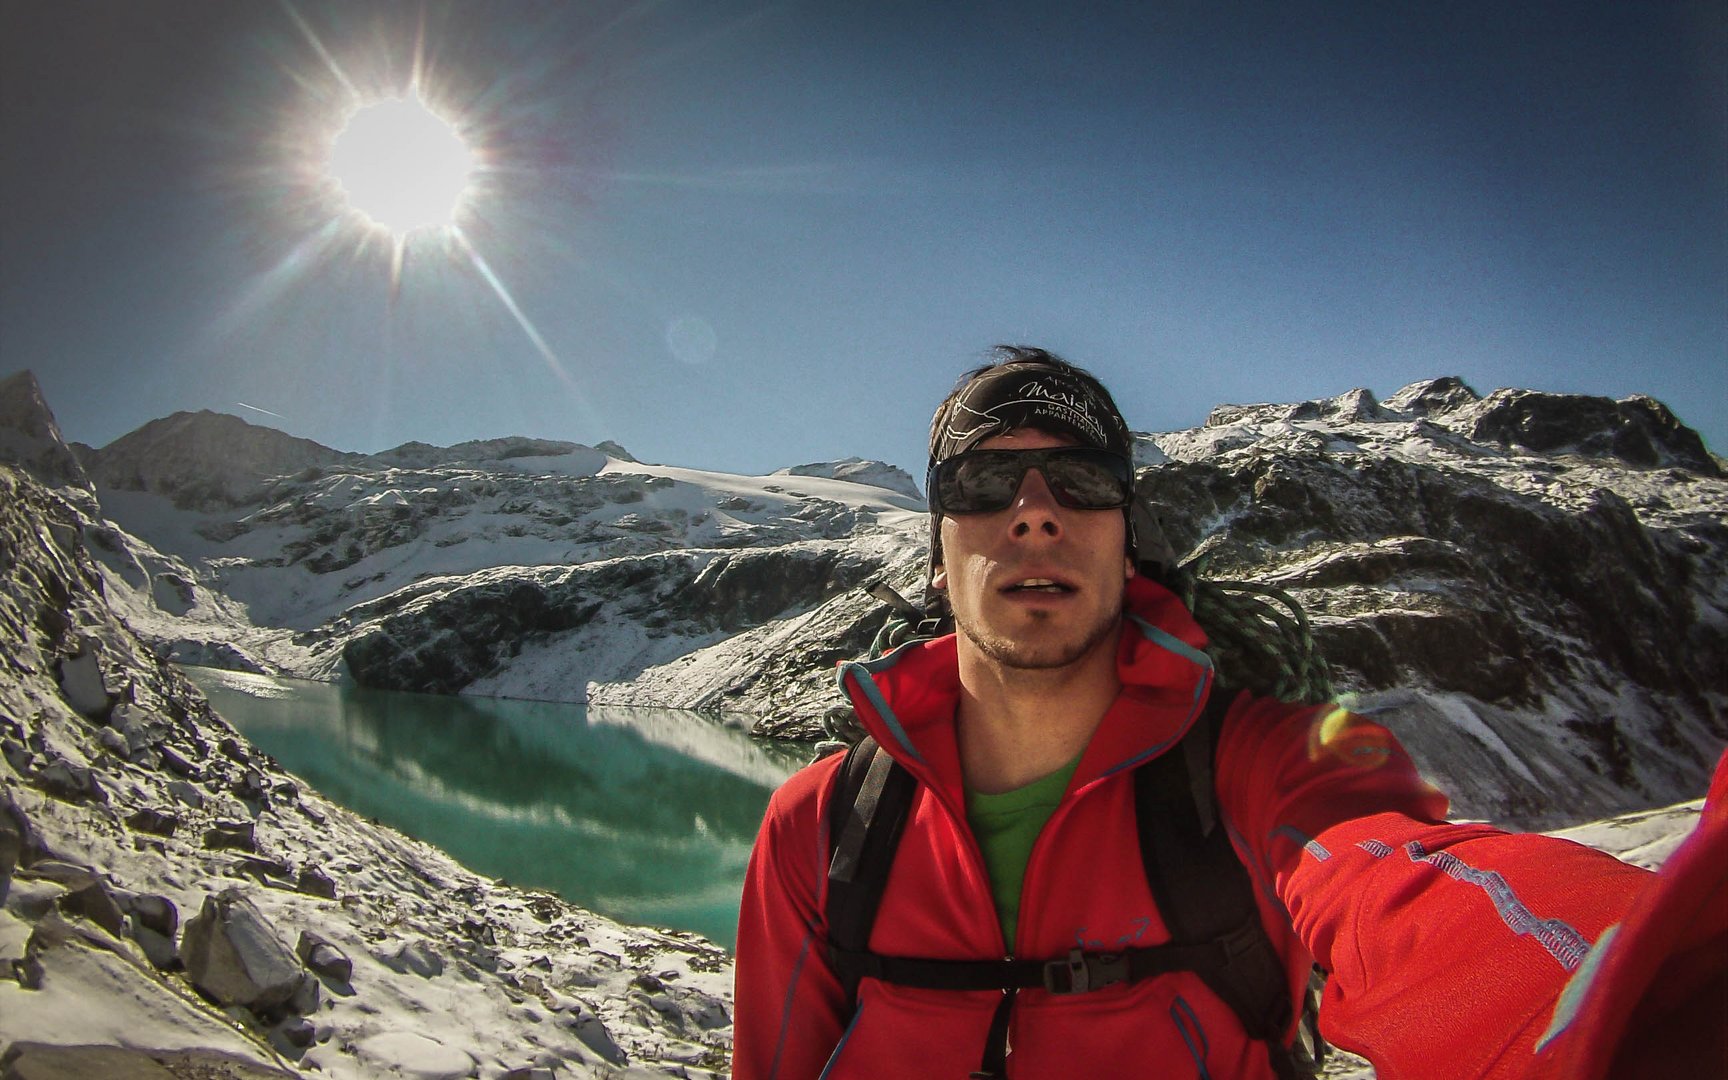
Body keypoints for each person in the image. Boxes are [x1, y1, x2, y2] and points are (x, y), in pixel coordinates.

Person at [733, 347, 1696, 1079]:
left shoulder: (1254, 768)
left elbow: (1404, 881)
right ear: (937, 560)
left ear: (1128, 544)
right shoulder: (824, 827)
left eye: (1083, 482)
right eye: (984, 485)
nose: (1034, 512)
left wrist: (1646, 1000)